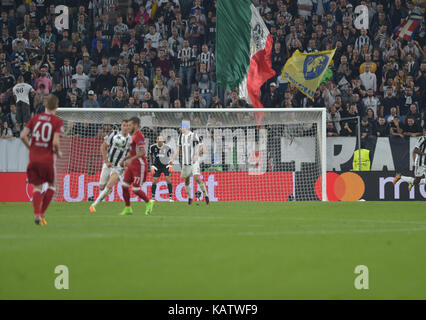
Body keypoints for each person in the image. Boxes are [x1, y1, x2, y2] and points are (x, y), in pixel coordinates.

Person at [20, 95, 64, 226]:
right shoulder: (57, 121)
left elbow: (23, 136)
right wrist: (58, 152)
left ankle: (36, 214)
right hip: (47, 159)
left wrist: (31, 148)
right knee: (52, 185)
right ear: (56, 107)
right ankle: (42, 213)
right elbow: (55, 142)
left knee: (37, 187)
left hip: (33, 158)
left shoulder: (35, 118)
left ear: (45, 106)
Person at [90, 120, 131, 212]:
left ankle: (93, 205)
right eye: (124, 125)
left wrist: (126, 163)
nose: (125, 127)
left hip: (119, 167)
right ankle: (107, 189)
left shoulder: (130, 140)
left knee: (109, 185)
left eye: (128, 126)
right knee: (102, 187)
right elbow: (103, 147)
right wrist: (106, 161)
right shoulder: (114, 134)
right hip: (108, 164)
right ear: (121, 126)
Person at [168, 121, 209, 205]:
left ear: (185, 127)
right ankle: (190, 198)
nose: (179, 129)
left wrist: (197, 155)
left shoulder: (194, 135)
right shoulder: (180, 137)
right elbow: (178, 149)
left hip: (194, 162)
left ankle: (206, 196)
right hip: (185, 162)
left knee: (197, 178)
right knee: (186, 181)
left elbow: (203, 146)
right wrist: (172, 159)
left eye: (180, 127)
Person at [120, 117, 154, 216]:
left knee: (135, 189)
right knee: (124, 186)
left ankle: (149, 202)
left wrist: (131, 159)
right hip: (132, 165)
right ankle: (128, 208)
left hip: (140, 165)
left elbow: (143, 152)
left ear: (135, 125)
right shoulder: (133, 136)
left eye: (130, 125)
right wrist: (125, 159)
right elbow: (133, 152)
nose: (128, 127)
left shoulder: (139, 135)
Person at [149, 135, 173, 202]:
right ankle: (153, 198)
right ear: (156, 140)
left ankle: (170, 197)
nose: (160, 142)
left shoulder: (167, 147)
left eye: (161, 141)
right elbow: (150, 155)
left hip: (165, 165)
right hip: (157, 165)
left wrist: (170, 164)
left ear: (163, 141)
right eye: (158, 140)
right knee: (154, 180)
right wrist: (152, 165)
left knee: (168, 179)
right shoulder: (152, 147)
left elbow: (170, 156)